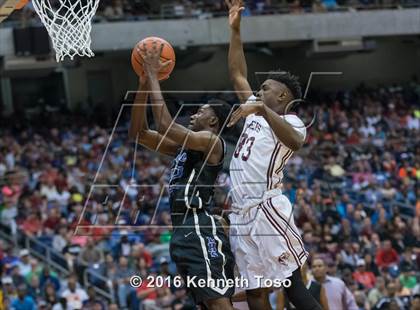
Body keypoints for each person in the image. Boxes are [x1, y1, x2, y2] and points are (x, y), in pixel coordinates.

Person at [225, 0, 321, 309]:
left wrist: (261, 108)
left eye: (265, 88)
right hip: (240, 214)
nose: (258, 90)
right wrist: (235, 30)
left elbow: (295, 141)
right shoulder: (256, 109)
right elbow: (237, 71)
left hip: (267, 208)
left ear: (281, 95)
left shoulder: (292, 121)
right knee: (254, 293)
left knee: (291, 285)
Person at [128, 41, 235, 309]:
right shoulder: (182, 147)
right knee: (206, 304)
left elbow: (164, 123)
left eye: (201, 111)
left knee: (218, 302)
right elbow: (138, 133)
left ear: (213, 121)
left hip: (200, 225)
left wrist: (153, 74)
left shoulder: (211, 141)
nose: (195, 114)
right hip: (182, 231)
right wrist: (143, 83)